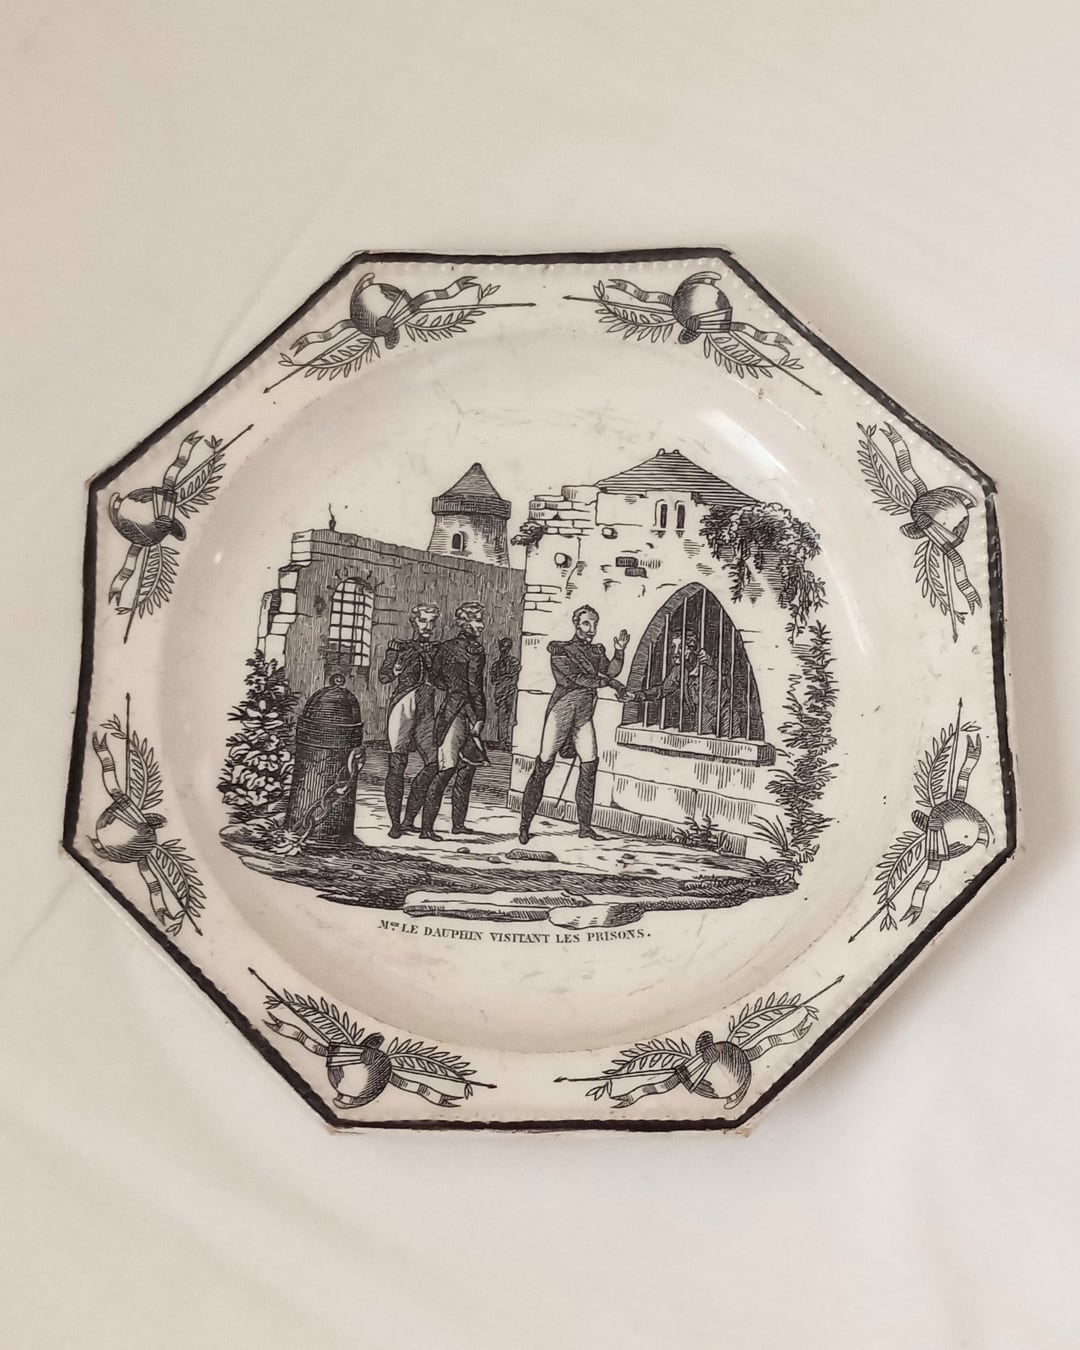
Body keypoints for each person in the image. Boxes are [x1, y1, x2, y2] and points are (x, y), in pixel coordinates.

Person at [518, 605, 629, 844]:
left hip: (583, 716)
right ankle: (525, 826)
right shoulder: (561, 651)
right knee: (543, 765)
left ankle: (585, 828)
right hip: (561, 712)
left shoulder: (597, 650)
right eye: (587, 623)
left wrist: (619, 652)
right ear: (576, 624)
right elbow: (578, 679)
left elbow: (610, 672)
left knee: (589, 765)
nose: (591, 629)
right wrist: (610, 684)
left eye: (594, 623)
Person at [418, 602, 488, 840]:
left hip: (449, 709)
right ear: (465, 623)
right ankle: (428, 829)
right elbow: (475, 688)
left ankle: (453, 825)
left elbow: (434, 677)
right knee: (451, 770)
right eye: (478, 620)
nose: (482, 625)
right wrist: (480, 716)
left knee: (458, 769)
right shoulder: (475, 650)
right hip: (463, 714)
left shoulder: (445, 647)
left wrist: (452, 690)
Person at [378, 603, 443, 838]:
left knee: (434, 764)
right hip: (403, 706)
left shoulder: (438, 650)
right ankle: (395, 824)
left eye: (432, 621)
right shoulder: (399, 647)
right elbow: (383, 677)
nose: (428, 626)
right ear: (414, 622)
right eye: (423, 620)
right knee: (397, 765)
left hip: (426, 708)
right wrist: (394, 671)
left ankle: (409, 819)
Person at [638, 630, 719, 733]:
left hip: (723, 718)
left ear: (693, 650)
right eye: (673, 647)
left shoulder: (708, 669)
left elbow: (729, 670)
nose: (675, 653)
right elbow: (662, 690)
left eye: (681, 647)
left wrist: (712, 661)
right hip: (702, 721)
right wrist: (637, 696)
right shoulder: (679, 671)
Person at [491, 636, 521, 750]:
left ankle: (511, 742)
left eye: (506, 647)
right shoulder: (496, 665)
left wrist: (504, 678)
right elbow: (494, 680)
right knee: (502, 718)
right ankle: (502, 742)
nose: (504, 650)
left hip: (511, 693)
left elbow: (514, 678)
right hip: (500, 694)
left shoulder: (514, 662)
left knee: (513, 718)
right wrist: (507, 677)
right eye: (502, 647)